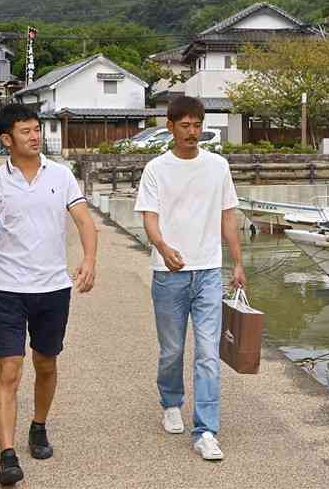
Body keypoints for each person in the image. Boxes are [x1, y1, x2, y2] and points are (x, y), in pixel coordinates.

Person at [0, 104, 97, 486]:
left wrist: (90, 259)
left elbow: (84, 220)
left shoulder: (61, 175)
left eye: (37, 129)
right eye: (25, 131)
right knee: (9, 369)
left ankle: (38, 425)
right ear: (7, 139)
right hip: (6, 288)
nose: (35, 136)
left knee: (46, 363)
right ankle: (7, 455)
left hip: (53, 288)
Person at [134, 96, 246, 461]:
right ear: (170, 127)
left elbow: (229, 217)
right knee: (172, 350)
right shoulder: (156, 169)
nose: (192, 132)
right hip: (169, 274)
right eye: (184, 125)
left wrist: (239, 263)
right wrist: (163, 248)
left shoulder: (218, 166)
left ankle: (206, 430)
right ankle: (170, 402)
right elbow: (149, 217)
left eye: (197, 125)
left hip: (209, 271)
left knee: (208, 353)